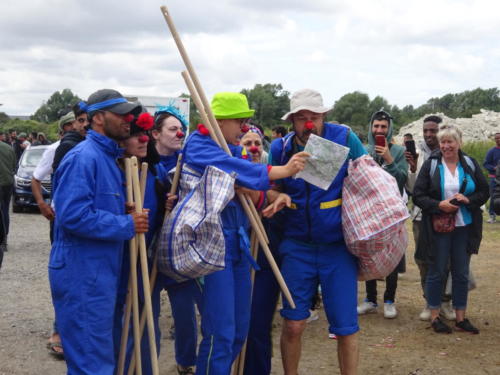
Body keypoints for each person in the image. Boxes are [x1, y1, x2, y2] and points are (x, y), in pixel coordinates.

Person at [182, 92, 308, 375]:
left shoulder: (231, 148)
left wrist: (274, 196)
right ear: (220, 121)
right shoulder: (199, 146)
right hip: (211, 245)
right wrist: (284, 170)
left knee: (240, 330)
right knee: (221, 333)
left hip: (237, 244)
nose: (243, 128)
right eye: (239, 121)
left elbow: (250, 188)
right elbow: (236, 170)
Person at [48, 89, 148, 374]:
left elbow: (91, 207)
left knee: (99, 357)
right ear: (99, 118)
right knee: (91, 363)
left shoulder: (105, 157)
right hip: (82, 273)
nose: (129, 119)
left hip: (97, 271)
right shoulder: (84, 157)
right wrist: (126, 224)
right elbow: (71, 216)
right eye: (121, 113)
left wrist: (122, 212)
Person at [269, 88, 366, 375]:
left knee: (345, 327)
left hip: (337, 247)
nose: (308, 122)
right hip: (297, 245)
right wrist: (279, 197)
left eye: (314, 115)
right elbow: (270, 188)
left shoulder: (346, 138)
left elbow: (368, 174)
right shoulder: (280, 148)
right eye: (301, 117)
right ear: (292, 120)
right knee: (293, 323)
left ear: (323, 116)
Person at [413, 124, 489, 334]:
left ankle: (460, 318)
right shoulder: (431, 165)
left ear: (459, 143)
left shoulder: (470, 164)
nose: (446, 146)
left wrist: (469, 199)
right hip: (439, 227)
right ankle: (436, 316)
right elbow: (418, 195)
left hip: (464, 227)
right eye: (443, 142)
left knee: (461, 273)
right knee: (436, 272)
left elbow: (484, 192)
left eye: (450, 142)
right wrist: (438, 205)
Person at [150, 105, 203, 375]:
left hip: (178, 248)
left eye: (181, 128)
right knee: (150, 312)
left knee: (184, 311)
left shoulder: (188, 161)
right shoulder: (144, 161)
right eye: (172, 129)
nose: (179, 133)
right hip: (148, 249)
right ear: (156, 134)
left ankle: (186, 362)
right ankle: (149, 364)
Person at [31, 109, 83, 358]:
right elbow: (35, 178)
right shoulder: (55, 149)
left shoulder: (92, 148)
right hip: (62, 221)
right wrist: (42, 204)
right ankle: (58, 331)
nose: (82, 127)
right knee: (65, 274)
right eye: (76, 124)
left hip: (80, 221)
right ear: (65, 129)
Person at [357, 109, 408, 319]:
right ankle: (370, 299)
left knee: (392, 255)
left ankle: (389, 299)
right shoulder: (362, 149)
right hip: (369, 211)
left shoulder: (398, 151)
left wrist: (388, 159)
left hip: (391, 211)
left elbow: (402, 179)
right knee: (370, 254)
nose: (379, 130)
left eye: (383, 127)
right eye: (376, 126)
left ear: (389, 130)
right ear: (371, 127)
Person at [405, 115, 455, 321]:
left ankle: (445, 301)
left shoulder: (450, 152)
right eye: (425, 131)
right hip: (420, 216)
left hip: (447, 216)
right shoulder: (416, 154)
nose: (428, 135)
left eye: (432, 131)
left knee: (448, 260)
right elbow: (411, 189)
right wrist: (414, 169)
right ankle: (429, 301)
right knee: (424, 260)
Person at [0, 139, 16, 254]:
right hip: (8, 183)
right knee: (5, 210)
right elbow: (14, 166)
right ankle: (4, 239)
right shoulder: (9, 148)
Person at [483, 132, 500, 223]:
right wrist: (494, 168)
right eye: (496, 138)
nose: (498, 140)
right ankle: (492, 215)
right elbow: (485, 164)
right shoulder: (491, 151)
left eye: (499, 138)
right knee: (494, 197)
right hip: (494, 178)